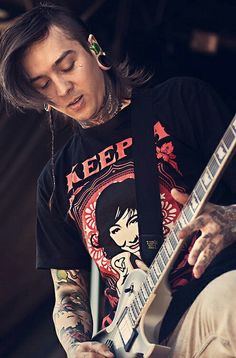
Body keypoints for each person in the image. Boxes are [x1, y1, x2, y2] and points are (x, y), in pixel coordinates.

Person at [0, 3, 236, 358]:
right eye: (44, 84)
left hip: (207, 306)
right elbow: (68, 292)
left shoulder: (181, 102)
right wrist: (76, 345)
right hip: (129, 345)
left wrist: (230, 219)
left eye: (67, 66)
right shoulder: (53, 182)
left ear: (95, 50)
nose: (63, 88)